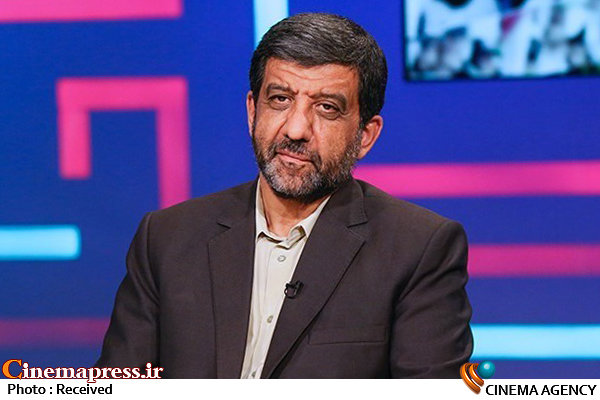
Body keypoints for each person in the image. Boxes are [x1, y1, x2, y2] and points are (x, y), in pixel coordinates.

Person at [96, 12, 473, 378]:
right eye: (280, 99)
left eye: (326, 108)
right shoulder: (167, 238)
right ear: (252, 111)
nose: (295, 129)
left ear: (365, 135)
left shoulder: (418, 249)